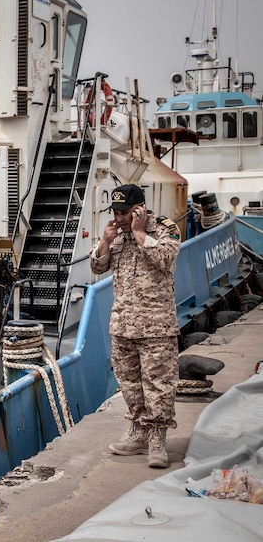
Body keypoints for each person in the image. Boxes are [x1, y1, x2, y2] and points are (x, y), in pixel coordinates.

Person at [90, 184, 182, 468]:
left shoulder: (164, 230)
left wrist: (141, 234)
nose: (118, 218)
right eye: (115, 212)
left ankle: (157, 439)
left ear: (140, 209)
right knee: (130, 384)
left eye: (125, 212)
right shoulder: (116, 234)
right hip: (123, 324)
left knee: (159, 385)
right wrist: (105, 241)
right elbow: (96, 267)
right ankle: (138, 431)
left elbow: (166, 260)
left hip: (156, 326)